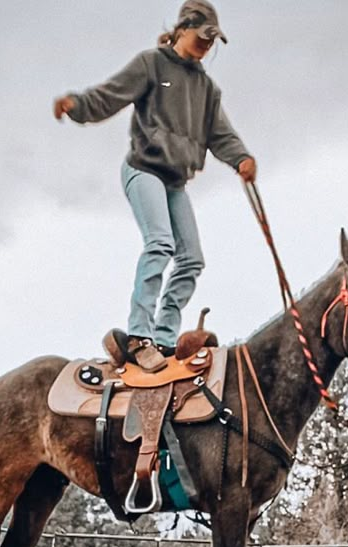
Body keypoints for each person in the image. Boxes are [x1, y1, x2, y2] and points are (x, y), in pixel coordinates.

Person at [54, 0, 256, 372]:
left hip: (175, 183)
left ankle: (164, 338)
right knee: (160, 243)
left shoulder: (207, 89)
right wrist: (77, 106)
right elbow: (110, 95)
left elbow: (221, 134)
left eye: (213, 40)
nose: (207, 45)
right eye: (203, 36)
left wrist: (241, 158)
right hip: (142, 170)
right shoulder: (152, 64)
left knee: (192, 258)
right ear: (184, 28)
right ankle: (138, 336)